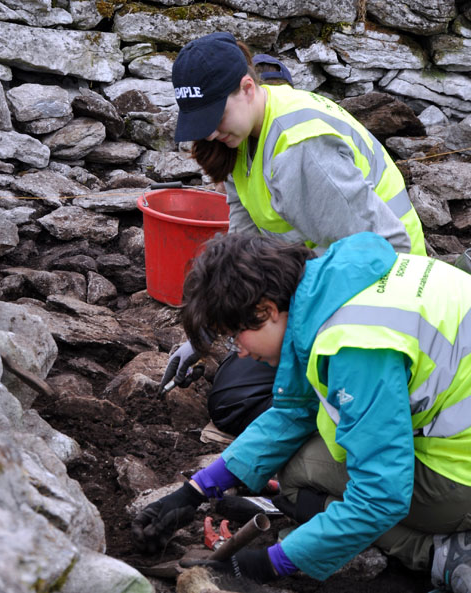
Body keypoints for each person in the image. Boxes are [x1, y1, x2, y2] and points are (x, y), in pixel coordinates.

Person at [133, 231, 471, 592]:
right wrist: (196, 491)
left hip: (460, 473)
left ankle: (440, 554)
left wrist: (270, 563)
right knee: (314, 452)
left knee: (299, 478)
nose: (239, 353)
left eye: (234, 337)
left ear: (265, 310)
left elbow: (381, 495)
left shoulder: (355, 345)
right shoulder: (338, 281)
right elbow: (296, 410)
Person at [160, 31, 427, 436]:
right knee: (236, 384)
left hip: (385, 298)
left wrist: (293, 328)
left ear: (248, 88)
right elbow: (242, 249)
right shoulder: (247, 137)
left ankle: (356, 421)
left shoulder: (298, 149)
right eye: (200, 124)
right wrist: (208, 327)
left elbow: (380, 255)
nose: (210, 134)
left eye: (214, 118)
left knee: (235, 401)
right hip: (324, 282)